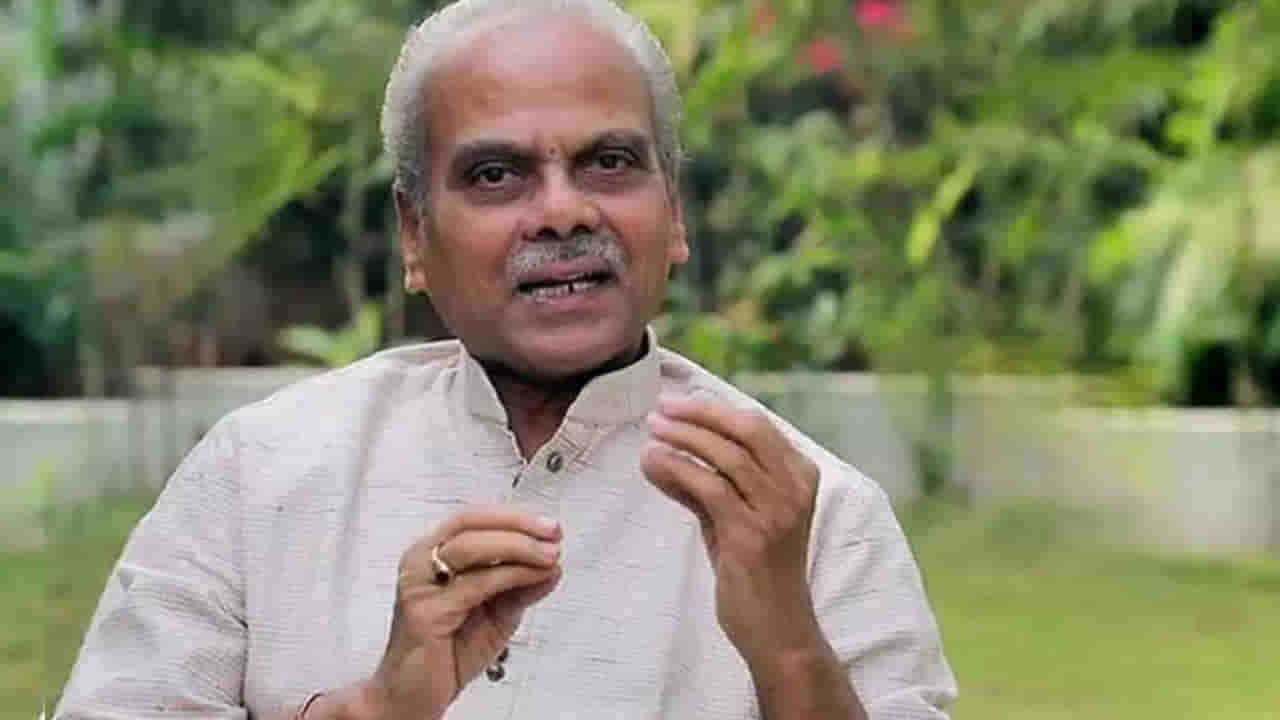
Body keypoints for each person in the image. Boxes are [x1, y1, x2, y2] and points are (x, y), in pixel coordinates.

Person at [55, 1, 956, 718]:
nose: (562, 213)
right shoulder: (259, 475)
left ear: (673, 211)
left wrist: (789, 646)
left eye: (609, 162)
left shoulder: (817, 517)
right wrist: (378, 709)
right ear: (415, 234)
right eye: (496, 175)